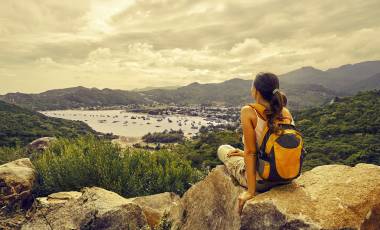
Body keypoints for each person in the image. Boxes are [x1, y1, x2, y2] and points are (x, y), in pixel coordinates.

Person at [217, 72, 295, 215]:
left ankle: (253, 186)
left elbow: (251, 152)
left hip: (264, 181)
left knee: (223, 149)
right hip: (287, 177)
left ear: (256, 91)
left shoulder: (249, 111)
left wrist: (250, 192)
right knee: (238, 151)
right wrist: (243, 152)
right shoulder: (286, 112)